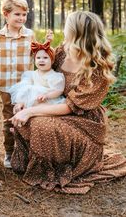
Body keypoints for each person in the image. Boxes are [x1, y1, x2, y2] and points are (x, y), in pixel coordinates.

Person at [10, 11, 126, 194]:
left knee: (39, 123)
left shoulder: (96, 67)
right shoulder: (63, 52)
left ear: (76, 32)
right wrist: (26, 102)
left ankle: (60, 164)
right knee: (26, 118)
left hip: (83, 121)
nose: (63, 30)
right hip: (55, 104)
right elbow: (45, 79)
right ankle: (41, 158)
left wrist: (31, 112)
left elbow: (70, 106)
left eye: (67, 26)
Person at [0, 0, 35, 168]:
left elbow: (38, 53)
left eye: (24, 14)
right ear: (6, 14)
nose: (21, 18)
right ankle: (10, 152)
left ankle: (26, 151)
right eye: (17, 14)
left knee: (26, 118)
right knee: (8, 118)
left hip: (25, 86)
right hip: (5, 85)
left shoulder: (29, 35)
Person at [9, 40, 65, 112]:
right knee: (26, 95)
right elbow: (25, 89)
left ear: (52, 61)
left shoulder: (54, 76)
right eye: (38, 58)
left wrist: (47, 95)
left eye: (45, 58)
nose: (41, 60)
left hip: (48, 100)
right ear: (34, 60)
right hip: (33, 101)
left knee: (43, 107)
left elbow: (58, 90)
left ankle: (33, 111)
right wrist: (21, 101)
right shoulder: (31, 74)